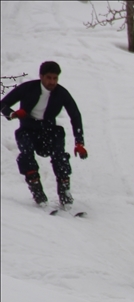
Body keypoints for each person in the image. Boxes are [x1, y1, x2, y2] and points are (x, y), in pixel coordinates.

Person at [0, 61, 87, 206]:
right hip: (28, 129)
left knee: (60, 156)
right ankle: (37, 192)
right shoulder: (28, 88)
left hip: (49, 130)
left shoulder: (61, 93)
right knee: (26, 155)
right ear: (41, 76)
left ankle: (65, 194)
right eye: (49, 78)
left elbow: (75, 115)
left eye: (55, 78)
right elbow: (3, 104)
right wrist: (13, 114)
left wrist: (79, 142)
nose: (52, 82)